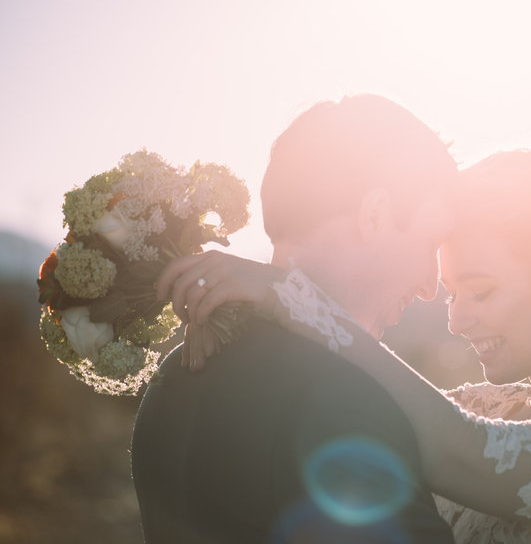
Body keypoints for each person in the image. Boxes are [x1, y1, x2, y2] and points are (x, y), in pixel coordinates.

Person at [168, 149, 531, 543]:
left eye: (480, 292)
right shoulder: (483, 407)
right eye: (451, 294)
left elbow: (461, 451)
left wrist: (298, 300)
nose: (458, 321)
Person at [130, 94, 458, 543]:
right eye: (430, 242)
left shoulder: (178, 371)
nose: (430, 285)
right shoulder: (342, 398)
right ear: (375, 214)